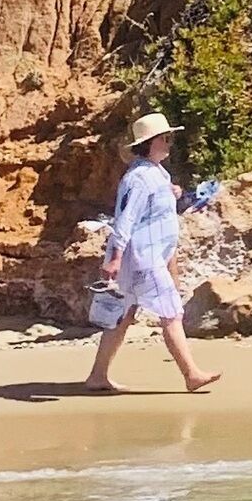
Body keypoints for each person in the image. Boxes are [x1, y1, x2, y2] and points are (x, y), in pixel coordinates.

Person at [81, 112, 220, 396]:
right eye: (164, 138)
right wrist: (115, 258)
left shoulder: (155, 172)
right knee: (170, 313)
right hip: (143, 259)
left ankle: (98, 376)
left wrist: (175, 193)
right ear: (150, 143)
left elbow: (158, 204)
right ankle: (191, 374)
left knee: (123, 316)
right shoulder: (139, 178)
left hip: (150, 256)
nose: (169, 143)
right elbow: (125, 219)